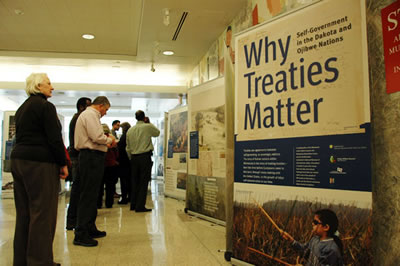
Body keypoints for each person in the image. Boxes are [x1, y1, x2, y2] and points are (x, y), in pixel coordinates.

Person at [10, 73, 68, 265]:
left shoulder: (22, 108)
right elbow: (54, 139)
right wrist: (63, 163)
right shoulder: (45, 107)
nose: (52, 87)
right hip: (40, 163)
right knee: (43, 213)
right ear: (38, 86)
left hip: (18, 161)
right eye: (48, 83)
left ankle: (21, 260)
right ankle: (39, 261)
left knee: (25, 213)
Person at [73, 96, 116, 247]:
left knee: (92, 194)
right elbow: (97, 137)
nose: (105, 113)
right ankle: (81, 233)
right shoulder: (91, 115)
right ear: (101, 105)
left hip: (92, 157)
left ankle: (90, 227)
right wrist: (110, 139)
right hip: (90, 157)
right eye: (106, 110)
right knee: (88, 195)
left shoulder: (89, 115)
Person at [126, 110, 160, 212]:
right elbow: (157, 133)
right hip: (144, 157)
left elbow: (127, 148)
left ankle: (133, 204)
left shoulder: (130, 130)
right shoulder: (147, 127)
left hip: (134, 158)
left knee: (134, 181)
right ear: (144, 117)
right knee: (143, 182)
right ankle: (140, 206)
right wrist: (148, 122)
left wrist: (131, 158)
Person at [66, 97, 91, 230]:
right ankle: (72, 220)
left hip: (77, 157)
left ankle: (74, 219)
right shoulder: (78, 119)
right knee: (78, 190)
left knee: (78, 189)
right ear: (81, 107)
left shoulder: (78, 118)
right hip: (77, 157)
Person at [97, 124, 119, 208]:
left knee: (99, 186)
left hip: (100, 164)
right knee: (110, 186)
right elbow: (117, 153)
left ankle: (98, 204)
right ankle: (109, 203)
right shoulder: (112, 139)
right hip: (111, 165)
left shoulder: (99, 139)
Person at [117, 122, 131, 204]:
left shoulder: (124, 136)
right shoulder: (129, 135)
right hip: (128, 161)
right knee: (129, 180)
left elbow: (121, 148)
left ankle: (124, 198)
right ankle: (129, 196)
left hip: (123, 161)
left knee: (124, 180)